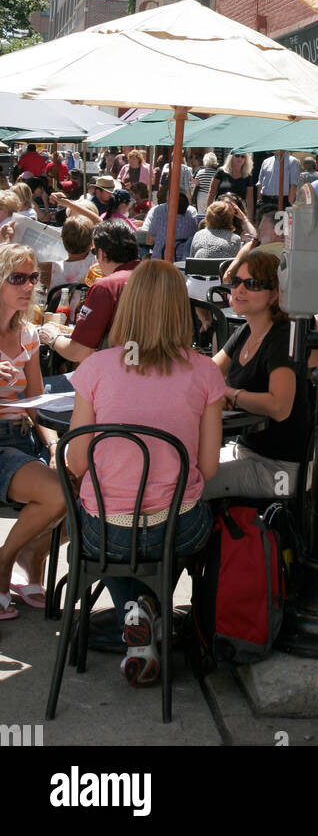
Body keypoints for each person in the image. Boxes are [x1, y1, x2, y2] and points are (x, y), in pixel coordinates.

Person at [66, 261, 223, 683]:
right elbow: (209, 467)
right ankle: (150, 614)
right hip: (179, 526)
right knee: (181, 527)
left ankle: (137, 624)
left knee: (103, 528)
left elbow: (77, 462)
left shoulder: (96, 368)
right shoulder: (206, 372)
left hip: (107, 533)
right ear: (181, 310)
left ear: (128, 307)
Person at [203, 250, 310, 500]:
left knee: (188, 486)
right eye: (236, 282)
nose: (239, 290)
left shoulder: (282, 338)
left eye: (252, 284)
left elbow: (279, 406)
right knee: (177, 468)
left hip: (278, 469)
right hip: (244, 451)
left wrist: (231, 393)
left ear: (274, 295)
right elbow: (206, 372)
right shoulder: (245, 332)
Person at [0, 244, 65, 617]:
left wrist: (55, 446)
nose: (28, 286)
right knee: (57, 494)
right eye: (18, 278)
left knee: (88, 490)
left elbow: (38, 402)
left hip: (24, 436)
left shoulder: (26, 334)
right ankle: (5, 561)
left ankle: (32, 554)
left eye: (33, 278)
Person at [38, 220, 140, 365]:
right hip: (165, 373)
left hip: (121, 373)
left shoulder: (107, 286)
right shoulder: (162, 278)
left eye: (94, 252)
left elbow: (79, 351)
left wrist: (52, 338)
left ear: (101, 254)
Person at [140, 189, 201, 261]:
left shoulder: (160, 218)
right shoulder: (192, 221)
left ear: (169, 204)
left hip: (160, 260)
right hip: (182, 262)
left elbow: (149, 241)